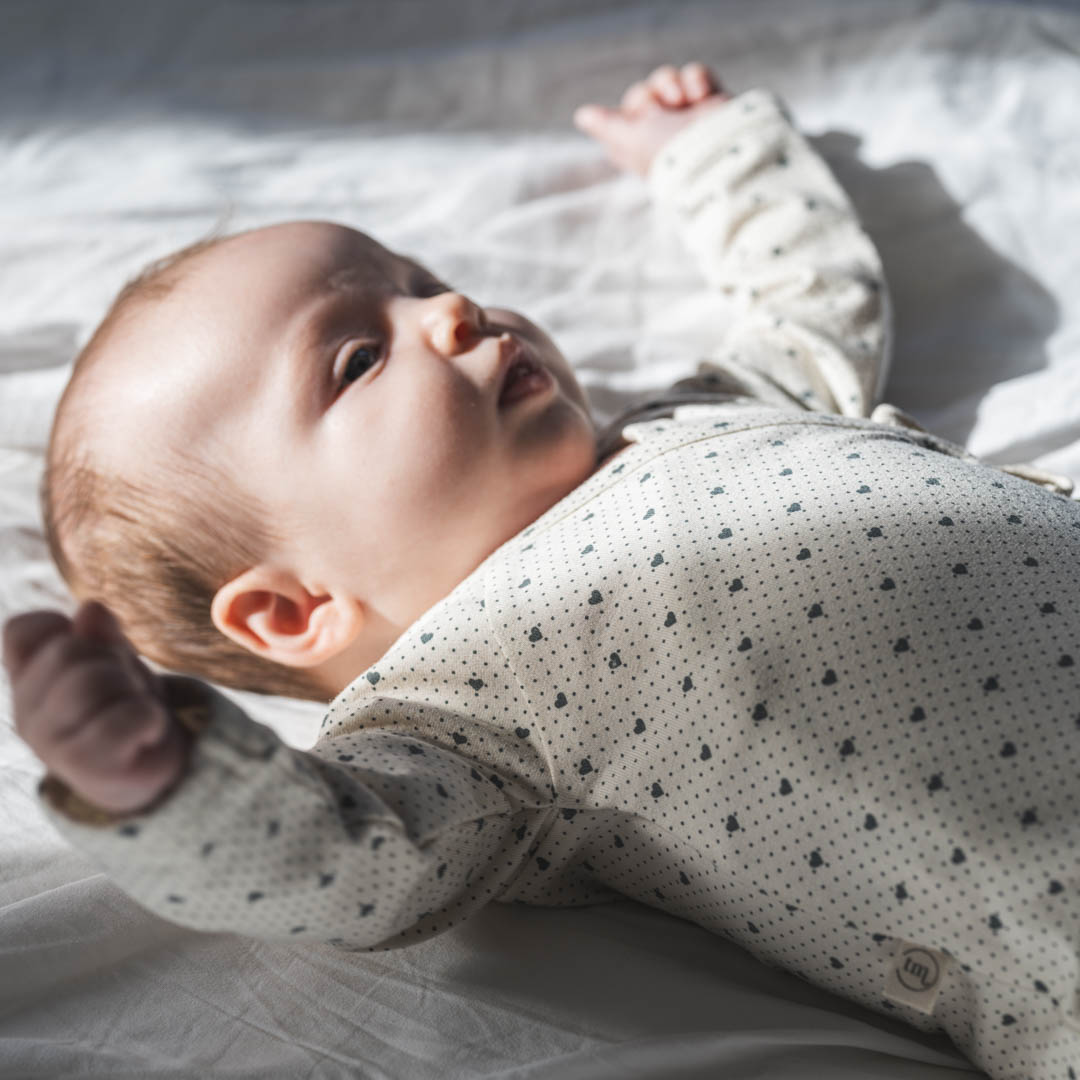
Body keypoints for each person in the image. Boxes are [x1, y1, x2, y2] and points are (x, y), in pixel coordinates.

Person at [4, 62, 1078, 1080]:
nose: (452, 313)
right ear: (293, 608)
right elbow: (344, 863)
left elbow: (809, 303)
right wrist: (164, 782)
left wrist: (712, 152)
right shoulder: (453, 711)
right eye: (358, 358)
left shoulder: (694, 411)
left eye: (422, 283)